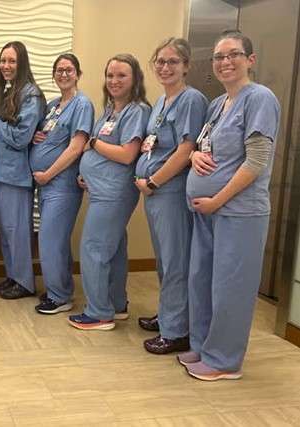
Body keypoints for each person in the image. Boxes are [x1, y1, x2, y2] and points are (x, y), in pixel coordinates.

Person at [182, 29, 280, 380]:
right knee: (202, 281)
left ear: (250, 60)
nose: (225, 62)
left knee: (230, 287)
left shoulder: (260, 99)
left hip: (239, 212)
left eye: (233, 54)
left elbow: (256, 162)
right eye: (219, 57)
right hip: (208, 211)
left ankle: (224, 360)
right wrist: (193, 156)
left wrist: (217, 200)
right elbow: (206, 147)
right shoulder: (216, 104)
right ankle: (204, 346)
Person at [134, 38, 208, 353]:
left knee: (176, 261)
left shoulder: (191, 100)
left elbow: (186, 149)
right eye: (161, 62)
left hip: (170, 191)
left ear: (186, 66)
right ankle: (169, 314)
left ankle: (177, 331)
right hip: (155, 193)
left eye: (173, 62)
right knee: (165, 260)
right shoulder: (162, 102)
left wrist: (153, 181)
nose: (165, 68)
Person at [68, 54, 151, 331]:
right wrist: (86, 171)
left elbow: (127, 154)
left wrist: (93, 144)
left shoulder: (136, 110)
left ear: (135, 79)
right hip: (101, 190)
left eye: (121, 75)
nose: (114, 81)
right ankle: (116, 304)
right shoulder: (111, 110)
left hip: (113, 193)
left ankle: (99, 313)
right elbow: (99, 148)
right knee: (112, 250)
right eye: (110, 75)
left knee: (93, 249)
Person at [30, 54, 94, 314]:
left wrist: (48, 174)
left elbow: (76, 146)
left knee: (50, 239)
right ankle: (61, 289)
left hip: (62, 184)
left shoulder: (82, 104)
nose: (64, 74)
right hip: (46, 186)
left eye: (69, 70)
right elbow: (45, 134)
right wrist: (35, 136)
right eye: (59, 70)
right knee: (56, 240)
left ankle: (59, 297)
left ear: (78, 73)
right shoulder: (53, 105)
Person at [0, 41, 46, 300]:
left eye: (12, 61)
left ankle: (24, 282)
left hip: (15, 175)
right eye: (3, 61)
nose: (6, 66)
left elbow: (21, 137)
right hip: (0, 173)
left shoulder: (30, 95)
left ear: (22, 63)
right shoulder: (8, 92)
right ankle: (13, 276)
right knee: (8, 231)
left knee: (18, 231)